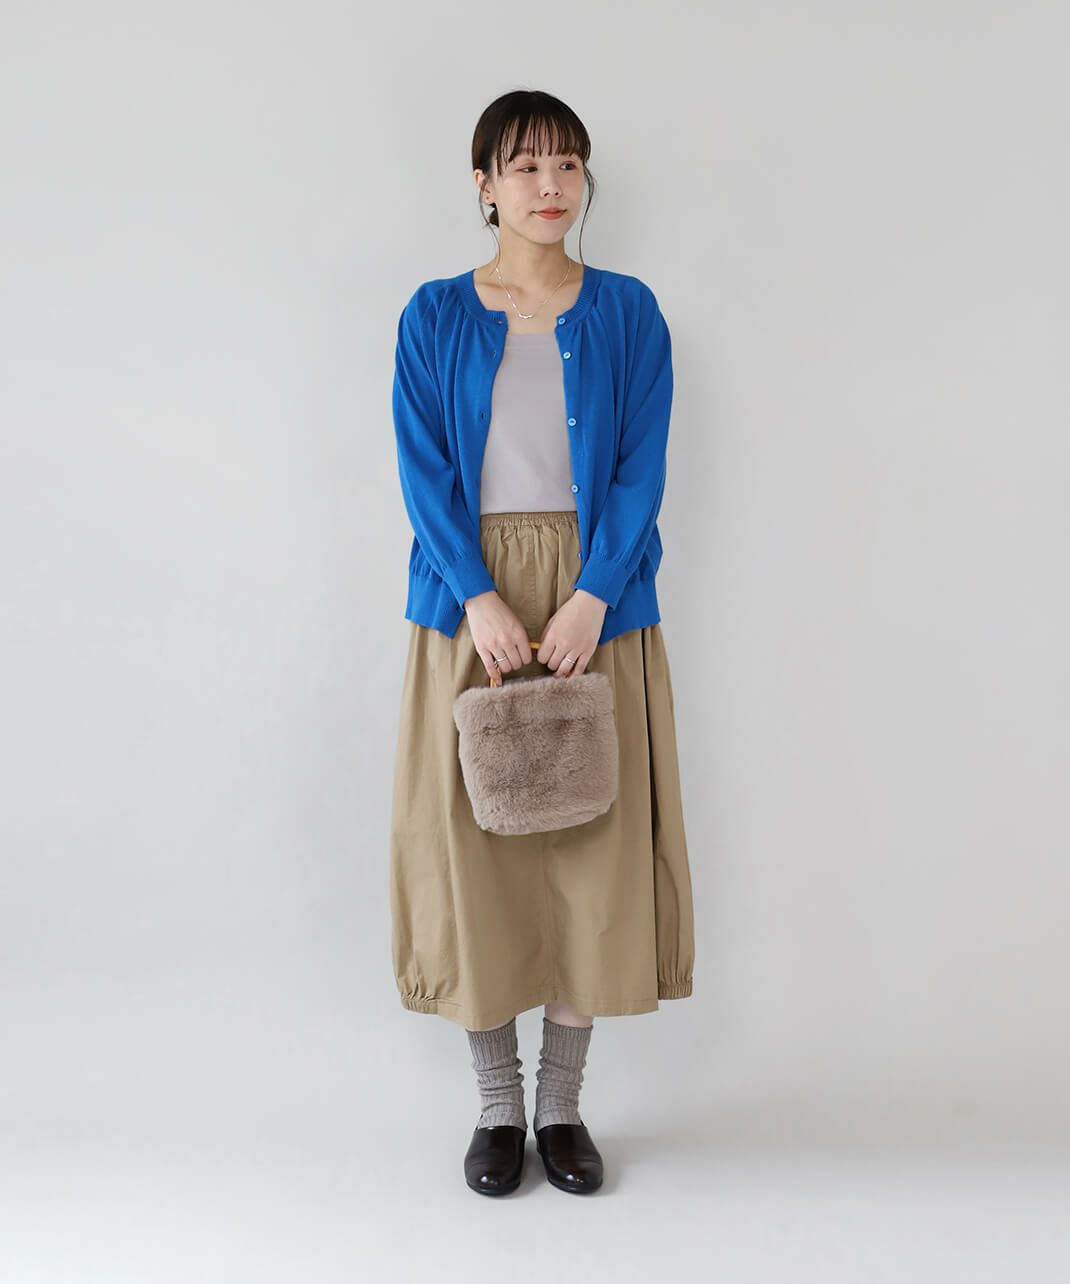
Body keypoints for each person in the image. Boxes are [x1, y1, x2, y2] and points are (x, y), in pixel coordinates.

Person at [389, 89, 696, 1197]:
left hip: (595, 598)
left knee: (589, 849)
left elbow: (642, 466)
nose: (549, 185)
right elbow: (423, 467)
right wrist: (476, 595)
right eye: (524, 166)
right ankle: (495, 1106)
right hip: (465, 600)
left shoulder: (627, 311)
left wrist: (593, 596)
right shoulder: (433, 315)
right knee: (472, 845)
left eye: (567, 164)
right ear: (483, 185)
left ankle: (560, 1107)